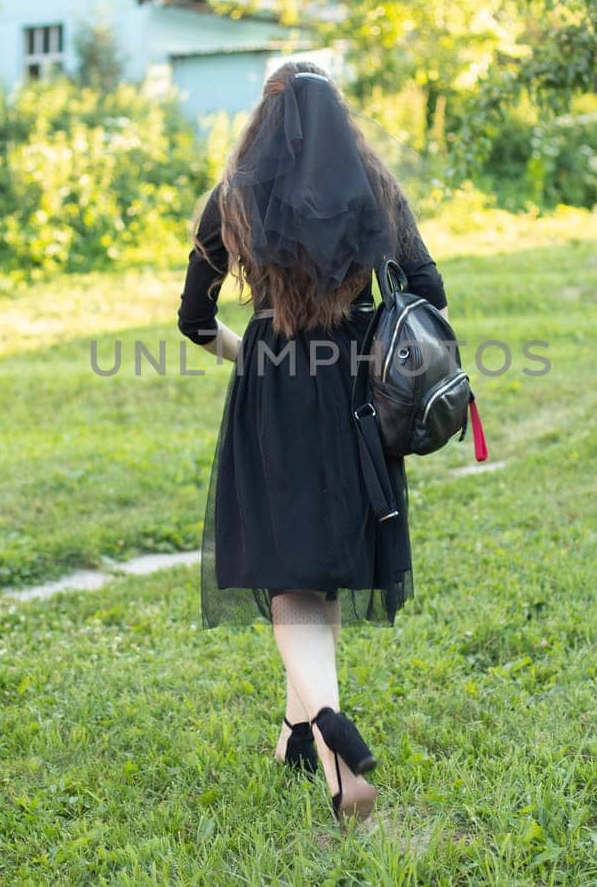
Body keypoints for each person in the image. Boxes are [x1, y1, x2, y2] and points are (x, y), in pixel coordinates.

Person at [176, 61, 449, 826]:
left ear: (262, 120)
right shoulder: (375, 187)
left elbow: (194, 321)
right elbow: (429, 294)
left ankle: (318, 723)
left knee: (292, 572)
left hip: (271, 397)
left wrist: (255, 354)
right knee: (318, 562)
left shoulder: (231, 197)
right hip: (356, 396)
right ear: (337, 114)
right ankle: (306, 730)